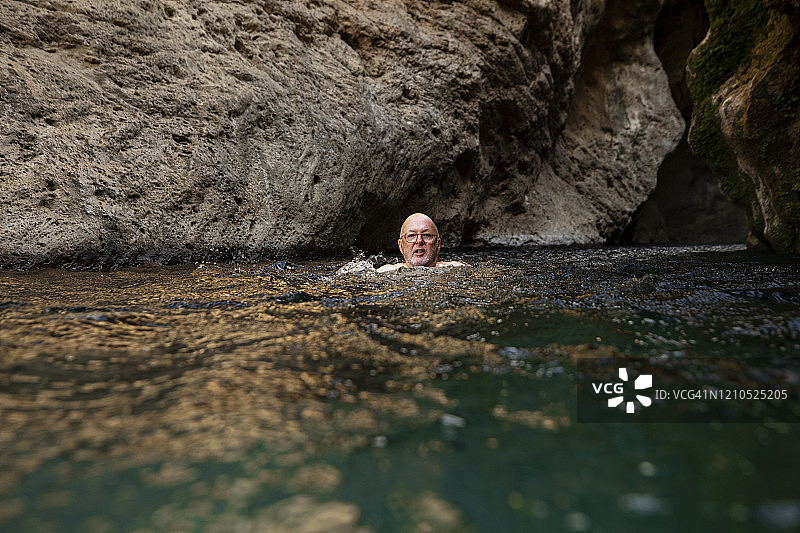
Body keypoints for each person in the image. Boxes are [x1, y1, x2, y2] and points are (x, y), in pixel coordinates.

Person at [376, 213, 467, 272]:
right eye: (411, 236)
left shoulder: (458, 269)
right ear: (401, 246)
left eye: (427, 235)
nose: (419, 241)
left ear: (438, 244)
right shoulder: (385, 272)